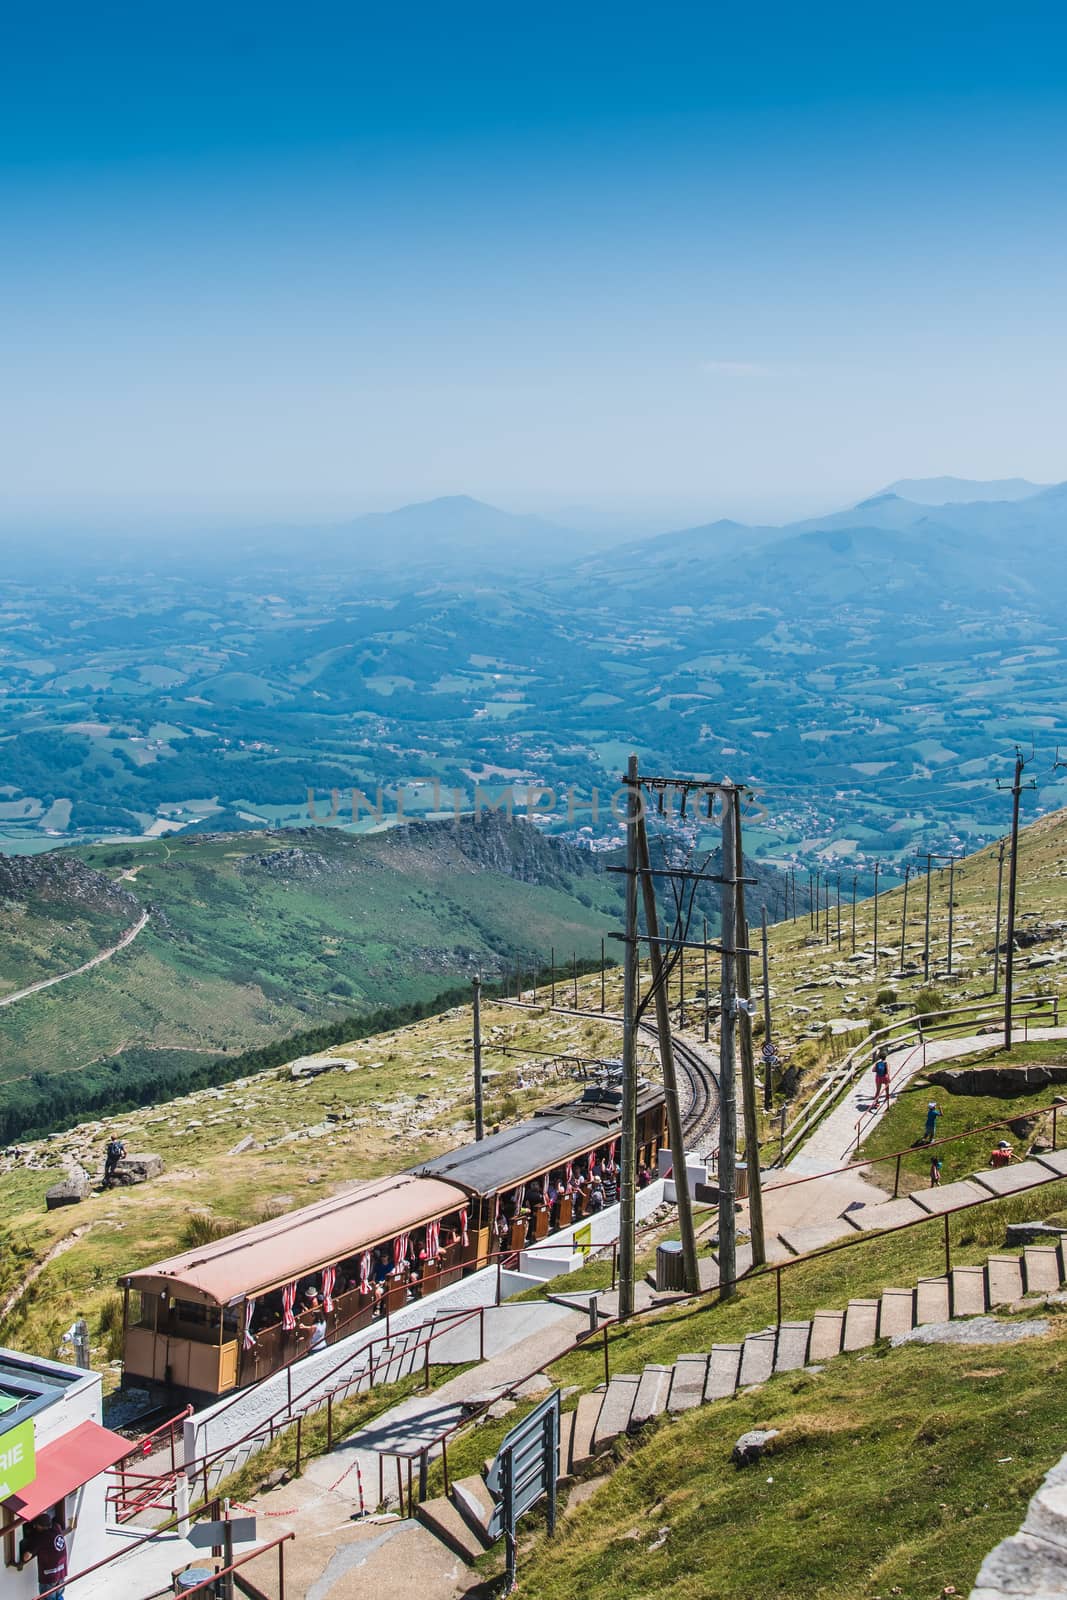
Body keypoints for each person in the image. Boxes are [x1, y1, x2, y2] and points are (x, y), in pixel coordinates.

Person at [19, 1507, 68, 1599]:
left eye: (36, 1525)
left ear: (40, 1526)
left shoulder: (41, 1537)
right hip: (61, 1571)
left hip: (49, 1577)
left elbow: (26, 1557)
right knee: (59, 1596)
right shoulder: (57, 1527)